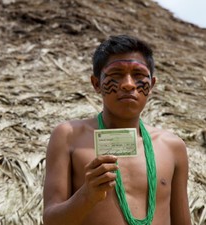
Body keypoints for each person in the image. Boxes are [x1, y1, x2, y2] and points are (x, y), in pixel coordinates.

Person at [43, 34, 191, 225]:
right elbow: (50, 220)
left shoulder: (172, 147)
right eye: (116, 75)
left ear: (152, 85)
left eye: (138, 75)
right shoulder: (69, 136)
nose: (128, 84)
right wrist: (87, 195)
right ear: (96, 84)